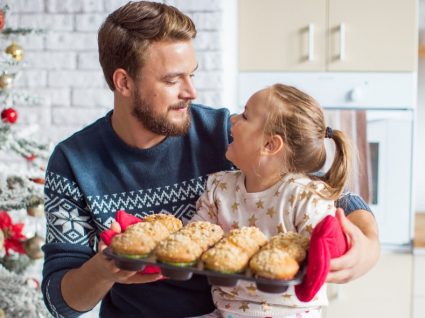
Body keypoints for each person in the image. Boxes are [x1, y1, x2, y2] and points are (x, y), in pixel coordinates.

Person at [41, 2, 379, 318]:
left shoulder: (225, 133)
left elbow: (329, 191)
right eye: (173, 80)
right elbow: (60, 302)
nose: (191, 91)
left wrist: (368, 247)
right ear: (124, 82)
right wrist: (103, 270)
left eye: (192, 74)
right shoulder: (72, 163)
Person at [190, 83, 352, 318]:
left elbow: (324, 251)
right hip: (226, 313)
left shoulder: (304, 196)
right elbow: (195, 237)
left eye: (245, 116)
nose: (233, 120)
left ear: (270, 145)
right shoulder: (220, 187)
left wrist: (334, 239)